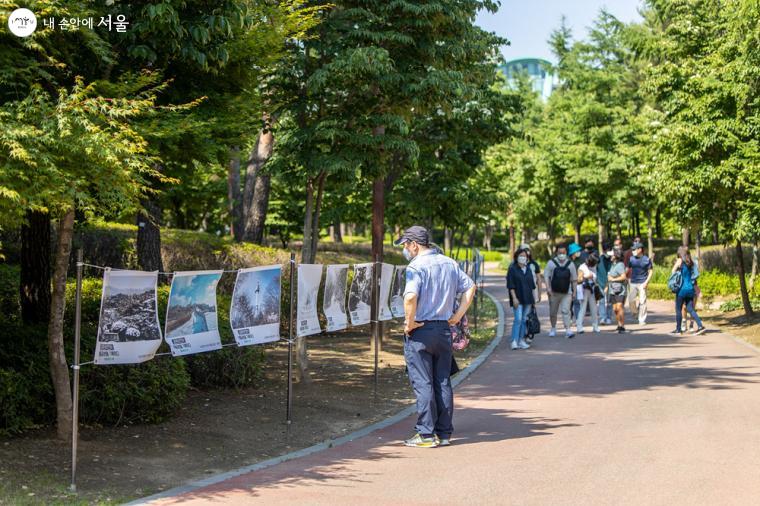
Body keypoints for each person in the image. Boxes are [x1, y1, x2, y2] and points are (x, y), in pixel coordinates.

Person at [396, 225, 477, 448]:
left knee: (423, 382)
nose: (405, 249)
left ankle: (425, 434)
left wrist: (409, 322)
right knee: (443, 381)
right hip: (443, 330)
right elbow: (470, 287)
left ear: (414, 244)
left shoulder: (416, 266)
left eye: (405, 244)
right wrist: (457, 315)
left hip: (420, 330)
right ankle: (444, 433)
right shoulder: (449, 263)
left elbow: (410, 297)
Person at [671, 246, 706, 335]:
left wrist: (676, 265)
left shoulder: (680, 261)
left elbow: (673, 272)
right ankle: (700, 326)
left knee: (678, 309)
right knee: (690, 308)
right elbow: (694, 276)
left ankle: (678, 330)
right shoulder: (691, 262)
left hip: (681, 290)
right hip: (690, 289)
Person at [544, 245, 577, 338]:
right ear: (556, 253)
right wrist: (548, 288)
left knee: (566, 310)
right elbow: (547, 276)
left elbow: (574, 279)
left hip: (567, 292)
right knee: (553, 312)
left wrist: (574, 292)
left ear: (566, 253)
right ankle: (553, 328)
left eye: (563, 253)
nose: (562, 255)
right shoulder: (551, 263)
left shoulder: (570, 264)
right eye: (560, 253)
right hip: (554, 292)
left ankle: (568, 329)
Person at [507, 247, 535, 350]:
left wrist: (534, 300)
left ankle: (521, 340)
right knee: (518, 319)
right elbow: (510, 286)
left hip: (528, 298)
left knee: (524, 320)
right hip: (517, 298)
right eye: (521, 256)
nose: (523, 258)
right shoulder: (512, 269)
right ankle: (514, 341)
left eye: (524, 256)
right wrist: (514, 298)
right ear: (516, 257)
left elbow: (532, 285)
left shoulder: (528, 269)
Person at [627, 241, 653, 325]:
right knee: (631, 300)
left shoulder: (646, 259)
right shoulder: (631, 259)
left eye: (635, 249)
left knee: (642, 302)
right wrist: (627, 278)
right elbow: (628, 269)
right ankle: (635, 313)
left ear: (640, 249)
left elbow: (651, 271)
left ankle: (641, 319)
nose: (633, 251)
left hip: (642, 282)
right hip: (633, 282)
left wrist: (646, 282)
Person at [576, 253, 600, 333]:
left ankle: (595, 326)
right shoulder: (582, 267)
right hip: (584, 289)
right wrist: (586, 277)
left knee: (594, 308)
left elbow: (595, 277)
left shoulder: (594, 266)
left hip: (592, 288)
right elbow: (578, 280)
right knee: (583, 308)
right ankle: (579, 326)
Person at [607, 250, 628, 333]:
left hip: (620, 290)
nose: (610, 257)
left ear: (616, 256)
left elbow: (624, 277)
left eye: (612, 255)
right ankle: (619, 325)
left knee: (619, 307)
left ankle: (622, 326)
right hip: (612, 290)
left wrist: (613, 279)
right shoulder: (613, 265)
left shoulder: (620, 265)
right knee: (615, 309)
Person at [597, 243, 612, 325]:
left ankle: (609, 317)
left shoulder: (612, 259)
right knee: (601, 301)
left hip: (610, 283)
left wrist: (608, 283)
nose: (608, 252)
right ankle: (603, 318)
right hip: (600, 282)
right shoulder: (599, 259)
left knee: (609, 301)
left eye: (609, 250)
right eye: (606, 250)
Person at [568, 242, 583, 320]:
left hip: (577, 284)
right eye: (576, 251)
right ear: (572, 253)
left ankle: (578, 320)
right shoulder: (567, 261)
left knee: (577, 302)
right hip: (568, 285)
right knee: (569, 303)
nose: (578, 252)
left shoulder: (579, 261)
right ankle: (569, 318)